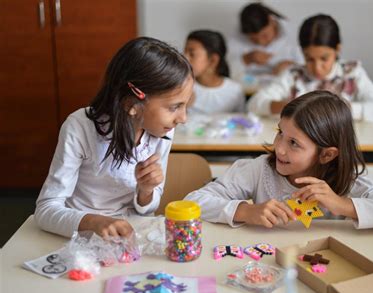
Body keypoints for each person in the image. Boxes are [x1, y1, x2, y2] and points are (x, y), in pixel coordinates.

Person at [185, 91, 373, 230]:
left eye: (294, 143)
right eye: (280, 133)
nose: (279, 148)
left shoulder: (349, 183)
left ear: (327, 154)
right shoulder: (259, 169)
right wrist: (246, 211)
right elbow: (193, 202)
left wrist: (342, 205)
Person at [35, 37, 194, 238]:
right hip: (80, 236)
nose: (183, 118)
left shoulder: (162, 131)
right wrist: (93, 221)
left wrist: (145, 191)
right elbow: (46, 210)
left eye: (185, 105)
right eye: (174, 107)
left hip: (130, 236)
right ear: (132, 104)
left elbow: (147, 209)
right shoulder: (81, 127)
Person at [247, 14, 373, 122]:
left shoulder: (352, 73)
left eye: (324, 59)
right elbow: (253, 104)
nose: (317, 67)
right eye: (309, 59)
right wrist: (289, 106)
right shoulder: (293, 75)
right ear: (302, 52)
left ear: (337, 49)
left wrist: (341, 109)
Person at [227, 2, 304, 79]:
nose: (261, 42)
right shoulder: (236, 38)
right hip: (249, 86)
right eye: (254, 39)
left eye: (265, 36)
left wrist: (292, 66)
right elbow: (224, 73)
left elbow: (309, 67)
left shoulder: (295, 33)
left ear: (271, 20)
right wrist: (246, 59)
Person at [184, 30, 245, 114]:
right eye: (184, 53)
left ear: (213, 60)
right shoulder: (182, 88)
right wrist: (182, 106)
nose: (185, 59)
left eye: (192, 54)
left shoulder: (235, 90)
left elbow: (241, 120)